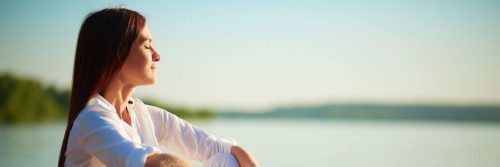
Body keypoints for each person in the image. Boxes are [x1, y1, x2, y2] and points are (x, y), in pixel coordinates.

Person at [58, 8, 258, 167]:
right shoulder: (92, 118)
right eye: (147, 46)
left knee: (227, 160)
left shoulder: (147, 116)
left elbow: (215, 147)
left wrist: (243, 155)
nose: (157, 55)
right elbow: (151, 163)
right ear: (116, 54)